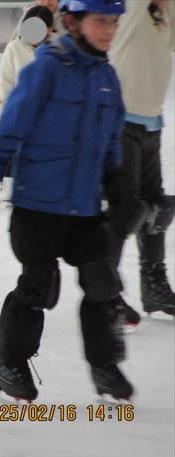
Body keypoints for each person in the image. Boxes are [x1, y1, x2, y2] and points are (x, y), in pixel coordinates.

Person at [0, 0, 135, 402]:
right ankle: (8, 363)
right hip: (37, 206)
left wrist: (117, 185)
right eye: (101, 22)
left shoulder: (108, 78)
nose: (109, 30)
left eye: (114, 23)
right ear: (74, 22)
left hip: (84, 208)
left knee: (102, 283)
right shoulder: (46, 68)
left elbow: (111, 141)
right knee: (39, 288)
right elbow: (11, 123)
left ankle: (105, 366)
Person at [107, 0, 175, 326]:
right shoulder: (125, 5)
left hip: (151, 119)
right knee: (124, 209)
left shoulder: (165, 9)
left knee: (157, 206)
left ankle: (153, 284)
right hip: (119, 118)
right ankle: (106, 293)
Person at [0, 5, 54, 101]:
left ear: (49, 29)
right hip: (22, 106)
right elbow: (6, 83)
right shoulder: (14, 48)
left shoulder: (60, 47)